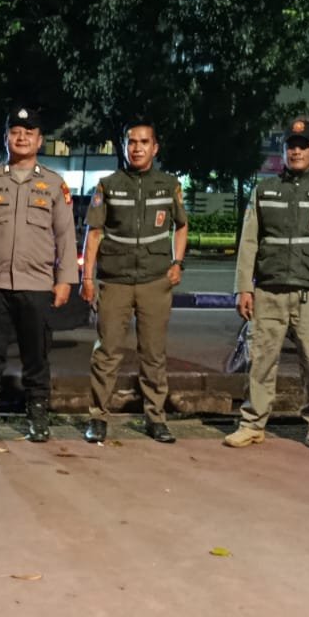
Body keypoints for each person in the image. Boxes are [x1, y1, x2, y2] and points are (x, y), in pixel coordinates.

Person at [223, 118, 309, 453]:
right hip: (269, 290)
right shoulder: (265, 190)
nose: (296, 151)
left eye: (303, 145)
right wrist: (243, 287)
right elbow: (249, 242)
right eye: (290, 146)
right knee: (261, 360)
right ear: (282, 150)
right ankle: (252, 424)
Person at [0, 104, 77, 443]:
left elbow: (65, 235)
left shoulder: (54, 184)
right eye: (15, 132)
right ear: (6, 137)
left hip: (37, 285)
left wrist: (65, 280)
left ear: (40, 140)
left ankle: (37, 418)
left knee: (36, 356)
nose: (21, 138)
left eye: (28, 133)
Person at [81, 118, 188, 444]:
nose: (137, 148)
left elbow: (181, 225)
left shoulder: (168, 185)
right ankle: (98, 417)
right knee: (107, 352)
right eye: (132, 142)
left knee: (153, 353)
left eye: (143, 142)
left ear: (155, 148)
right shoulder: (108, 185)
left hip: (155, 281)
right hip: (115, 280)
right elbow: (94, 233)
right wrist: (87, 277)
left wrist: (177, 262)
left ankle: (155, 418)